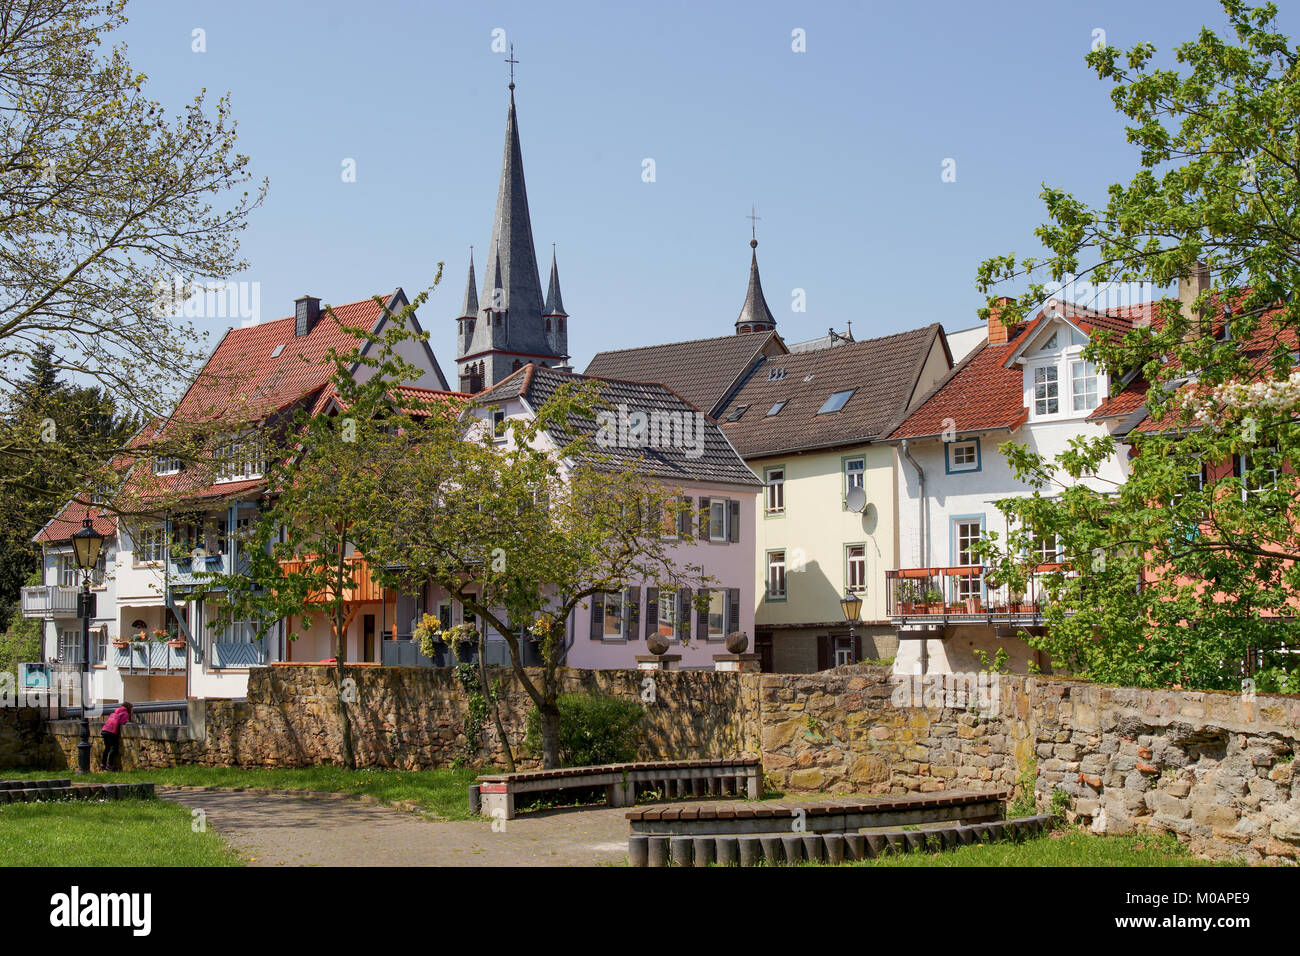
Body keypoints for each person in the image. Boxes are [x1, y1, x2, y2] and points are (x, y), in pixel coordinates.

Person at [99, 702, 133, 771]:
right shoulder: (125, 714)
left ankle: (103, 764)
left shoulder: (115, 712)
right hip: (112, 732)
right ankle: (110, 765)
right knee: (113, 748)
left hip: (105, 730)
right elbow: (122, 723)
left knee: (107, 748)